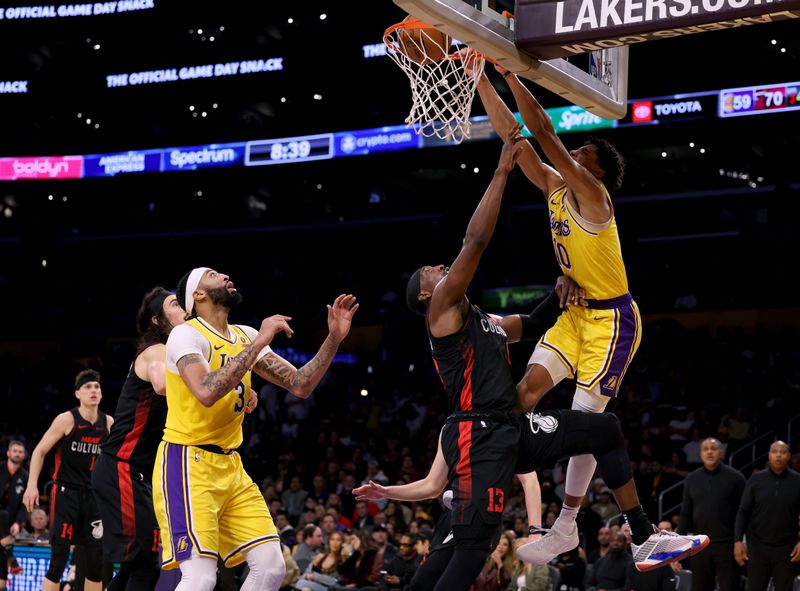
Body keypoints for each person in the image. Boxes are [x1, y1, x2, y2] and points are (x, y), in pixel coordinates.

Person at [470, 57, 639, 563]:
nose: (576, 150)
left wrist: (512, 71)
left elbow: (541, 130)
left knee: (586, 421)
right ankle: (486, 481)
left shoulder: (593, 194)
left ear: (598, 168)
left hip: (612, 321)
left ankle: (566, 524)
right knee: (523, 394)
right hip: (574, 316)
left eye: (584, 149)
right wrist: (478, 73)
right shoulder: (555, 188)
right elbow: (516, 137)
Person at [153, 265, 358, 591]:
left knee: (272, 567)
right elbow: (206, 391)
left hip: (231, 466)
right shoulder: (186, 334)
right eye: (212, 275)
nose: (223, 275)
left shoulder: (244, 335)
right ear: (198, 295)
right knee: (201, 576)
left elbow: (300, 384)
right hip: (187, 463)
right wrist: (262, 339)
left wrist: (333, 338)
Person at [90, 287, 187, 591]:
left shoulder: (178, 352)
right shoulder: (156, 351)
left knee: (139, 565)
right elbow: (161, 384)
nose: (184, 308)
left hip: (136, 472)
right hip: (121, 467)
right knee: (144, 564)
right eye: (175, 304)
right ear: (158, 320)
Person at [23, 369, 113, 591]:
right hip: (66, 494)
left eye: (97, 387)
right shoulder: (66, 420)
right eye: (88, 387)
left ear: (101, 394)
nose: (93, 390)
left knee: (96, 563)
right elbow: (39, 451)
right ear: (78, 394)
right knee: (59, 559)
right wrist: (32, 485)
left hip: (94, 497)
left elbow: (115, 462)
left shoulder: (108, 423)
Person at [677, 437, 745, 591]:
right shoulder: (691, 479)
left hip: (727, 544)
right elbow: (686, 513)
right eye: (705, 449)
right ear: (700, 454)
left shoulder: (736, 478)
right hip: (699, 545)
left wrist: (740, 541)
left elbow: (744, 512)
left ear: (721, 452)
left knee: (730, 587)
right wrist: (678, 550)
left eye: (713, 448)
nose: (709, 452)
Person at [734, 440, 800, 591]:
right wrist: (738, 541)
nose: (778, 455)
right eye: (774, 451)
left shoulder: (798, 481)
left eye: (782, 452)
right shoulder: (756, 480)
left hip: (787, 549)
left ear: (789, 456)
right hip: (758, 547)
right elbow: (743, 512)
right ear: (769, 455)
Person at [0, 440, 28, 589]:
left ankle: (9, 555)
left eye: (20, 451)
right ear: (8, 453)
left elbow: (25, 504)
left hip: (7, 528)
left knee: (2, 579)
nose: (17, 453)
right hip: (3, 520)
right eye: (15, 450)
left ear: (23, 455)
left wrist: (18, 522)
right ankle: (12, 557)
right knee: (2, 514)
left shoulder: (25, 476)